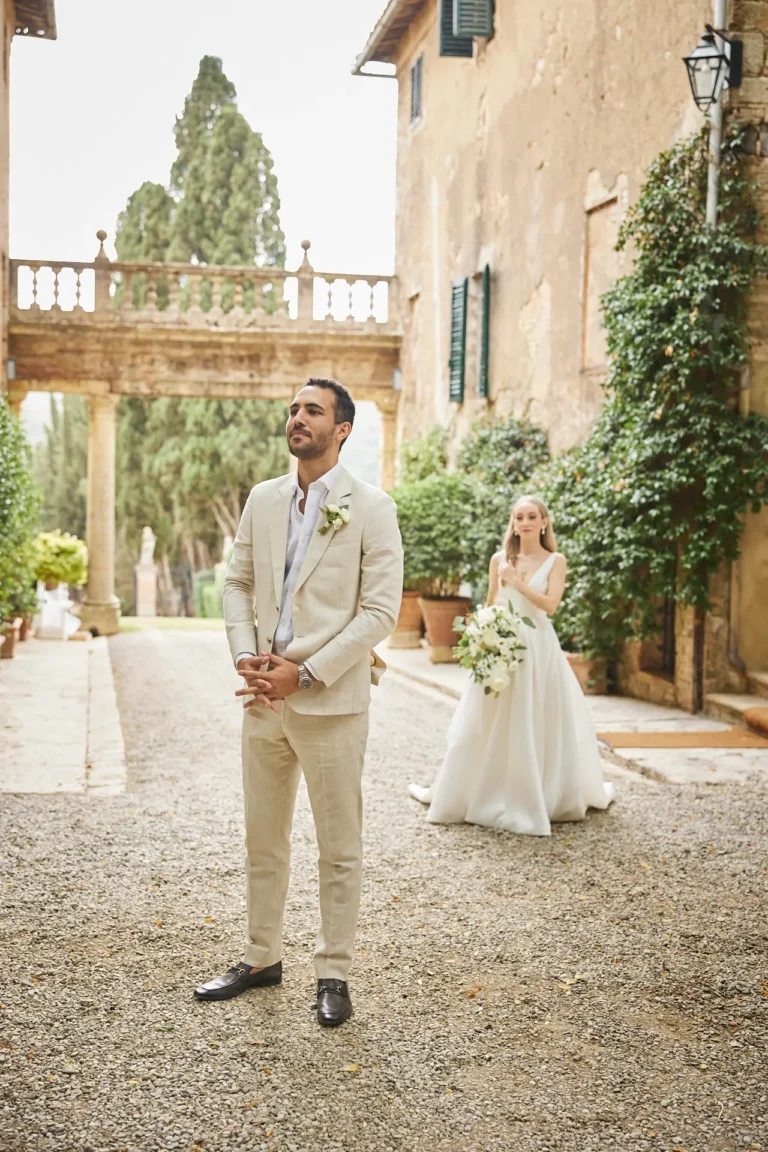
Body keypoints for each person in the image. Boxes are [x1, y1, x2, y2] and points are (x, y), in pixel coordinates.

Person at [194, 378, 403, 1026]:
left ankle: (333, 970)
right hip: (261, 696)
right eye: (293, 410)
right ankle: (261, 957)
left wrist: (305, 673)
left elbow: (378, 613)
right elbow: (237, 583)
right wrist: (244, 656)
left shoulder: (372, 507)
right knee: (264, 838)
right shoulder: (263, 499)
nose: (298, 418)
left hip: (330, 703)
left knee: (339, 845)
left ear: (342, 429)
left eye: (312, 410)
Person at [409, 495, 614, 836]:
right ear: (513, 523)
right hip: (501, 644)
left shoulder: (555, 560)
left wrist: (517, 582)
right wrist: (481, 636)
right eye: (519, 517)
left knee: (535, 715)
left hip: (538, 647)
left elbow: (550, 606)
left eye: (532, 516)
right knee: (488, 718)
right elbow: (490, 601)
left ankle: (539, 793)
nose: (525, 522)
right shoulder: (499, 559)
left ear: (544, 521)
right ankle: (479, 791)